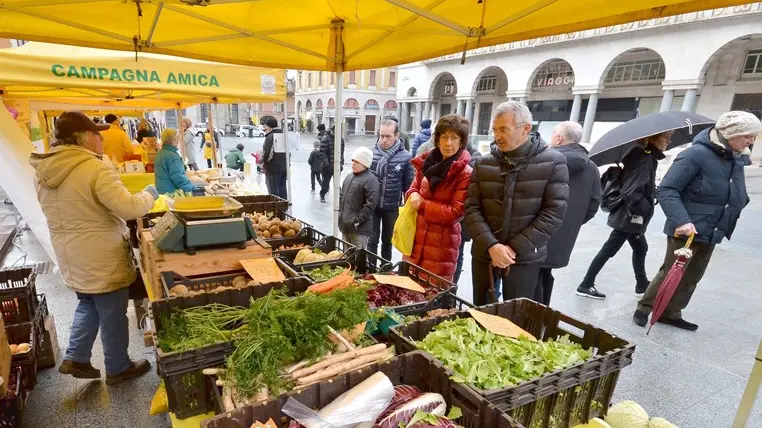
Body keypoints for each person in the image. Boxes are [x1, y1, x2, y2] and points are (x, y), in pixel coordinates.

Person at [29, 111, 158, 384]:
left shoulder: (44, 170)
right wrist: (149, 193)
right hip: (99, 250)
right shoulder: (94, 167)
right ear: (84, 137)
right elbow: (128, 208)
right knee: (112, 309)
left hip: (68, 250)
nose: (101, 139)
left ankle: (76, 356)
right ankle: (118, 366)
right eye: (97, 134)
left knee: (87, 301)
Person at [634, 112, 761, 331]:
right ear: (731, 133)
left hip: (714, 226)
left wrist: (740, 201)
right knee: (671, 271)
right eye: (748, 136)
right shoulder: (695, 155)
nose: (751, 141)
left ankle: (671, 313)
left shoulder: (736, 157)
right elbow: (667, 189)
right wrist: (681, 220)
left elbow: (733, 186)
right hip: (687, 228)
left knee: (693, 275)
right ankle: (644, 308)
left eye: (754, 136)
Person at [464, 101, 569, 305]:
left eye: (504, 129)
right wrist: (492, 245)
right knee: (481, 311)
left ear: (526, 128)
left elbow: (553, 213)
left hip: (524, 257)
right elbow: (471, 208)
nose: (497, 136)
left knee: (516, 314)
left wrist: (512, 249)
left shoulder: (554, 162)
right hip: (485, 252)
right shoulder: (484, 163)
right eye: (495, 130)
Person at [577, 131, 670, 299]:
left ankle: (641, 284)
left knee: (641, 247)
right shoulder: (646, 160)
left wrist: (651, 193)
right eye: (665, 138)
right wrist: (644, 207)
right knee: (609, 249)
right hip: (629, 216)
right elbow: (630, 192)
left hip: (628, 215)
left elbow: (636, 185)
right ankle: (586, 284)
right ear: (653, 139)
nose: (668, 141)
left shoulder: (644, 157)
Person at [538, 122, 601, 305]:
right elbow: (593, 205)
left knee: (531, 277)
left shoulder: (547, 160)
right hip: (564, 236)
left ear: (559, 138)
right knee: (546, 274)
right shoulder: (592, 168)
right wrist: (570, 222)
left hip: (537, 233)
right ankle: (542, 313)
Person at [406, 115, 473, 280]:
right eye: (444, 137)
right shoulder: (427, 162)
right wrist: (413, 193)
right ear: (437, 139)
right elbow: (413, 188)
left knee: (432, 294)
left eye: (454, 137)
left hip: (441, 246)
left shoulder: (465, 173)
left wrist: (422, 205)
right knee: (408, 288)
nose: (448, 143)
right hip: (415, 238)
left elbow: (455, 212)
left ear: (461, 141)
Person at [368, 120, 414, 261]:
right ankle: (370, 269)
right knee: (372, 240)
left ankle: (385, 268)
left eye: (388, 136)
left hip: (392, 207)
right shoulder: (372, 153)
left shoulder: (405, 157)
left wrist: (408, 210)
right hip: (373, 206)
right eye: (381, 136)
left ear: (396, 135)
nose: (383, 140)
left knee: (387, 241)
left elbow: (409, 186)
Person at [339, 147, 379, 249]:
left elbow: (370, 205)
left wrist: (357, 221)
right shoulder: (348, 177)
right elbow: (342, 197)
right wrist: (341, 218)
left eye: (357, 161)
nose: (353, 163)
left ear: (365, 163)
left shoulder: (371, 180)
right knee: (346, 259)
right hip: (346, 227)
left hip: (359, 230)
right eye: (353, 160)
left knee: (358, 259)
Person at [453, 141, 481, 284]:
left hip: (460, 219)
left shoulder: (474, 159)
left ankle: (453, 287)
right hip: (450, 218)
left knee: (457, 254)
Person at [154, 129, 194, 194]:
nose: (178, 142)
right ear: (173, 142)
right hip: (171, 193)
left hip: (161, 191)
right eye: (177, 140)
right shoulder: (173, 157)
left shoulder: (160, 153)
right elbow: (179, 178)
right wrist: (192, 189)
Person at [319, 124, 346, 203]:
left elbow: (342, 152)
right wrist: (327, 165)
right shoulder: (326, 138)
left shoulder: (341, 139)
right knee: (325, 183)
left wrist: (341, 163)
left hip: (337, 165)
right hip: (327, 167)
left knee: (337, 183)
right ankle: (322, 194)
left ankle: (340, 198)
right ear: (333, 130)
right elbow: (322, 153)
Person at [262, 118, 287, 198]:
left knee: (273, 189)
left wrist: (264, 162)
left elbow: (267, 153)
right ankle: (283, 206)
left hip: (273, 167)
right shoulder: (283, 135)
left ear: (269, 127)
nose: (266, 128)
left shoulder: (270, 137)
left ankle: (276, 207)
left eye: (266, 126)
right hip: (284, 166)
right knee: (282, 187)